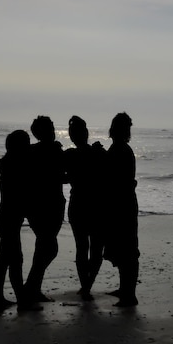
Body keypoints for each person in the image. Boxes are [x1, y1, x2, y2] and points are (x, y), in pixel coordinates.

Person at [23, 116, 66, 303]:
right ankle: (31, 287)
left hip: (36, 205)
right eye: (50, 127)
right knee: (49, 247)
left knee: (43, 246)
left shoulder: (31, 151)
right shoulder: (54, 150)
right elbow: (60, 176)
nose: (53, 130)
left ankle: (33, 287)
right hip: (49, 204)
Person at [64, 115, 107, 300]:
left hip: (78, 204)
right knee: (96, 249)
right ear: (87, 133)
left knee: (82, 248)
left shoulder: (69, 155)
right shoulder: (99, 153)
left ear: (72, 136)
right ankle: (87, 285)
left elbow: (61, 177)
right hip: (97, 205)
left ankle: (85, 286)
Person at [0, 129, 31, 314]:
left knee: (5, 258)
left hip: (4, 217)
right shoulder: (15, 166)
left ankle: (0, 297)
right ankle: (21, 300)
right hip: (8, 218)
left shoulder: (8, 163)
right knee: (15, 260)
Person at [104, 112, 139, 307]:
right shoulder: (122, 149)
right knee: (125, 248)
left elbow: (114, 179)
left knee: (127, 250)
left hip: (121, 205)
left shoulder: (120, 150)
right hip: (124, 204)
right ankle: (125, 290)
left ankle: (129, 294)